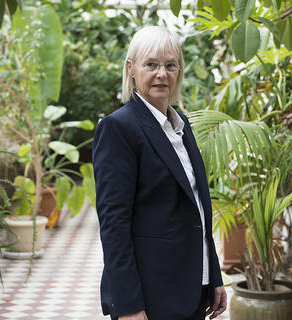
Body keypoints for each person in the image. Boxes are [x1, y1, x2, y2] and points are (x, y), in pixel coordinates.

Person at [92, 26, 228, 320]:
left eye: (170, 65)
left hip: (192, 288)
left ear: (179, 71)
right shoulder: (119, 129)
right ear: (131, 68)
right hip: (151, 296)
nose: (162, 74)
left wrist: (214, 276)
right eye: (151, 64)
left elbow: (197, 209)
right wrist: (129, 306)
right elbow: (114, 225)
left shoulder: (182, 126)